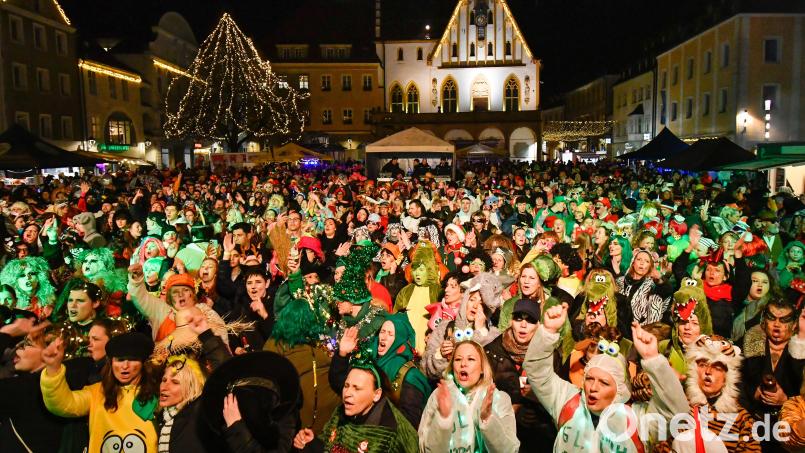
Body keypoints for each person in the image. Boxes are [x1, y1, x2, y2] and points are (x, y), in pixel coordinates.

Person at [524, 303, 689, 452]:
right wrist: (548, 332)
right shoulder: (568, 401)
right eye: (590, 379)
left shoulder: (637, 420)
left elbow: (676, 412)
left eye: (604, 382)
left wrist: (653, 359)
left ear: (620, 389)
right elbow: (538, 372)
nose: (593, 387)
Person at [40, 331, 160, 452]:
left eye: (132, 359)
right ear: (111, 363)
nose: (125, 366)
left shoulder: (157, 393)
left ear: (143, 363)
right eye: (120, 360)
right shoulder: (96, 392)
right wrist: (53, 368)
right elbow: (63, 404)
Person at [419, 336, 520, 452]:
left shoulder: (499, 399)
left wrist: (488, 420)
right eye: (458, 359)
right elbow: (425, 447)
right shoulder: (440, 395)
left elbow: (510, 450)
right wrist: (443, 421)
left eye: (471, 359)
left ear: (482, 367)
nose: (463, 364)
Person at [293, 362, 419, 452]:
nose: (347, 394)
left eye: (357, 388)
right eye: (346, 386)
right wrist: (312, 443)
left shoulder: (389, 435)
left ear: (376, 394)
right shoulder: (342, 411)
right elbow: (329, 444)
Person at [485, 299, 557, 450]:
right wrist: (510, 409)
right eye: (518, 319)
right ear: (511, 322)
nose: (523, 325)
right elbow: (481, 394)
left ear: (538, 325)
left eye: (530, 320)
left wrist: (539, 402)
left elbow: (560, 397)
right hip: (503, 436)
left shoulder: (549, 354)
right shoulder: (491, 352)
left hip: (541, 438)